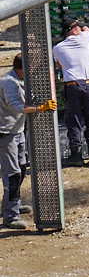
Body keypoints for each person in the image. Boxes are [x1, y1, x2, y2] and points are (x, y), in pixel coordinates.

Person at [0, 55, 57, 229]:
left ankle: (11, 205)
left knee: (22, 168)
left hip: (17, 131)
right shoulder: (9, 82)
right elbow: (15, 106)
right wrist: (40, 108)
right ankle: (10, 216)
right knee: (13, 174)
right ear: (22, 68)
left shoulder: (20, 81)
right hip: (6, 133)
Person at [53, 19, 89, 167]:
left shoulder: (57, 48)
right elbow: (87, 29)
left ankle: (76, 156)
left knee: (74, 120)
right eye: (77, 28)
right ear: (73, 31)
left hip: (72, 86)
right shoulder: (84, 39)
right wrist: (82, 23)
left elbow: (59, 66)